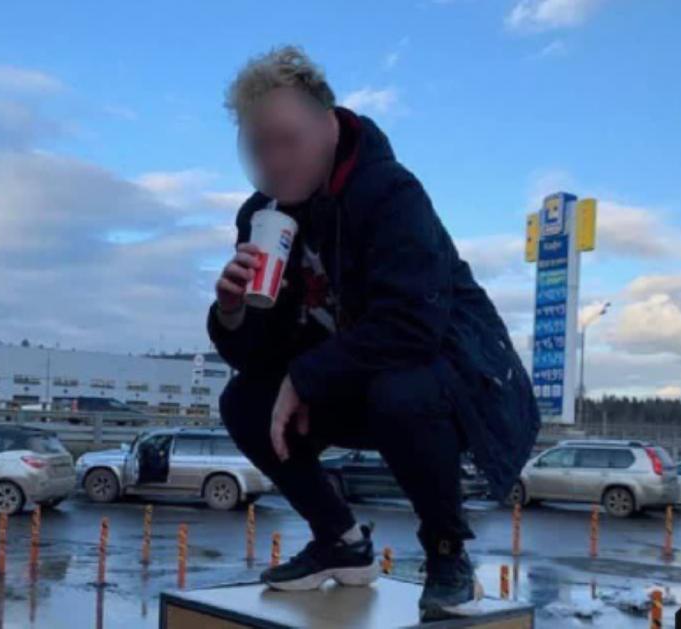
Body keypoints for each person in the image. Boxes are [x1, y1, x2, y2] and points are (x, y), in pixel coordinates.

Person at [207, 45, 540, 621]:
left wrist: (305, 378)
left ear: (328, 125)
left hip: (453, 382)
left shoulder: (390, 193)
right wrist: (233, 312)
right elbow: (262, 355)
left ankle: (448, 556)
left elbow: (413, 324)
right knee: (243, 401)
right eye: (260, 148)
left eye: (288, 141)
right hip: (345, 380)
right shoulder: (260, 217)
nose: (276, 161)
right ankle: (339, 540)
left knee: (400, 389)